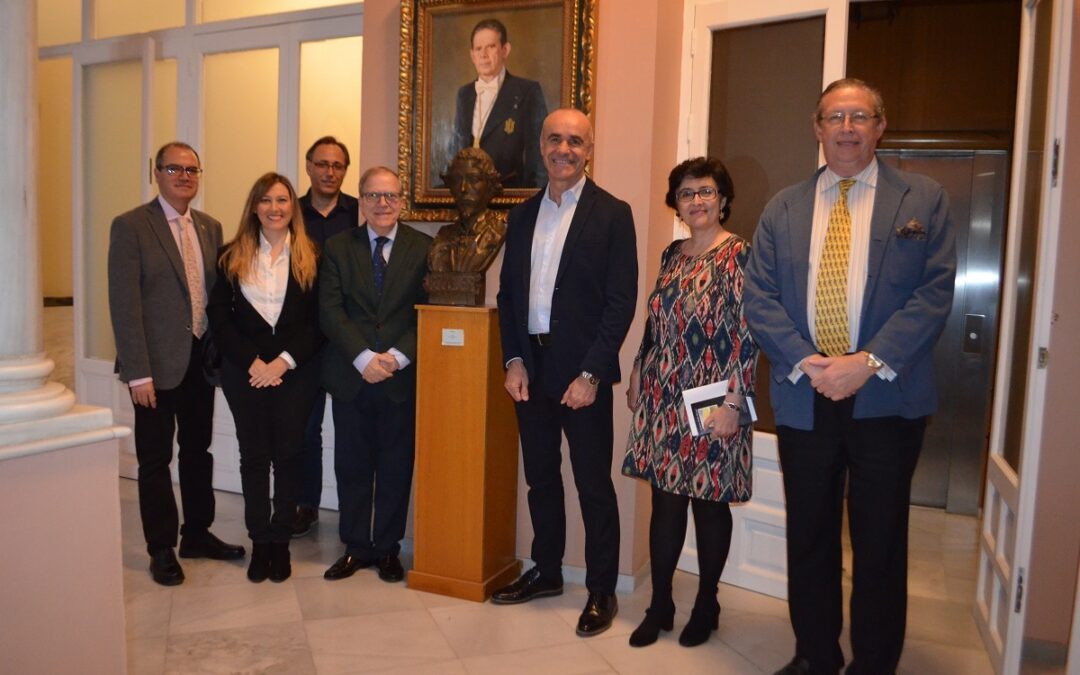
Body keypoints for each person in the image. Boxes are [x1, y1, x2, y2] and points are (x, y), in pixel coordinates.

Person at [743, 78, 957, 675]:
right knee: (808, 535)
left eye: (859, 116)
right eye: (835, 117)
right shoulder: (782, 208)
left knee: (880, 541)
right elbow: (759, 297)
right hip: (805, 396)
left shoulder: (924, 199)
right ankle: (815, 653)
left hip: (887, 399)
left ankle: (874, 663)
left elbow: (933, 294)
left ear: (879, 126)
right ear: (817, 129)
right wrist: (811, 363)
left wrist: (864, 364)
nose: (846, 128)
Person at [493, 108, 637, 638]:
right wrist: (512, 360)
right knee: (540, 479)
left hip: (583, 375)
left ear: (589, 149)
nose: (564, 149)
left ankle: (601, 589)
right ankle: (548, 571)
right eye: (555, 138)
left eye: (575, 141)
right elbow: (509, 296)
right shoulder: (521, 215)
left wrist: (593, 374)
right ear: (541, 144)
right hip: (530, 370)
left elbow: (620, 303)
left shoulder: (613, 214)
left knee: (593, 484)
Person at [622, 157, 758, 648]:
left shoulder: (740, 254)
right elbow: (655, 319)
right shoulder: (672, 253)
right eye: (686, 193)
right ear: (675, 203)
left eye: (706, 191)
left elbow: (748, 333)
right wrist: (639, 365)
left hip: (712, 396)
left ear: (722, 198)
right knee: (665, 500)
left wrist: (735, 402)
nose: (696, 200)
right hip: (663, 392)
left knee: (708, 501)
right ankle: (661, 604)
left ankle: (706, 603)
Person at [108, 141, 245, 587]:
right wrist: (137, 371)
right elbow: (124, 305)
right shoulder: (131, 226)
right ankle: (161, 547)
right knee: (154, 460)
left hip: (199, 365)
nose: (184, 176)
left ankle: (198, 533)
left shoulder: (209, 226)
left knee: (197, 452)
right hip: (154, 368)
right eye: (174, 168)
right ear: (157, 173)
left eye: (192, 170)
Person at [206, 173, 323, 583]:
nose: (275, 208)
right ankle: (260, 541)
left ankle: (281, 543)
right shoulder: (228, 257)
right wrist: (253, 362)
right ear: (254, 207)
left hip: (296, 374)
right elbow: (219, 320)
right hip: (246, 375)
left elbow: (317, 323)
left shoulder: (313, 256)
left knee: (290, 457)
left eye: (283, 200)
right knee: (254, 458)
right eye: (266, 200)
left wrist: (283, 362)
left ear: (293, 207)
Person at [320, 167, 433, 583]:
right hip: (352, 376)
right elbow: (330, 311)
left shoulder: (425, 247)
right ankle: (354, 546)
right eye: (372, 196)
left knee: (396, 466)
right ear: (361, 201)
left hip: (400, 379)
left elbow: (429, 310)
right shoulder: (336, 248)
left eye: (389, 196)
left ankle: (387, 548)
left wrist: (397, 358)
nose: (382, 204)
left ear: (402, 201)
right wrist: (364, 357)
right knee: (351, 466)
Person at [293, 136, 360, 538]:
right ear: (309, 167)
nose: (329, 172)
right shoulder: (292, 214)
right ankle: (306, 504)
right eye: (322, 164)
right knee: (305, 428)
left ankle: (352, 513)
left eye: (337, 165)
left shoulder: (358, 212)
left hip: (348, 339)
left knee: (351, 431)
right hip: (304, 339)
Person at [452, 18, 548, 189]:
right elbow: (456, 150)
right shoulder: (464, 94)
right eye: (478, 48)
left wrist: (535, 196)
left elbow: (539, 152)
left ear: (505, 50)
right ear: (472, 55)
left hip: (509, 195)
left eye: (491, 46)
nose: (484, 55)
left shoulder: (527, 91)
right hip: (468, 197)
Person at [428, 146, 506, 274]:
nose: (463, 188)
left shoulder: (496, 233)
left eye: (473, 180)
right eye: (457, 180)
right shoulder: (442, 237)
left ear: (490, 185)